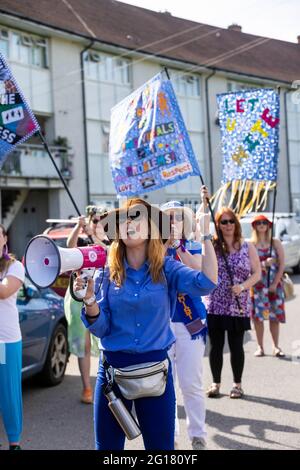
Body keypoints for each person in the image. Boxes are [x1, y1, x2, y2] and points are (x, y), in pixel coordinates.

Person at [74, 198, 217, 450]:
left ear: (152, 228)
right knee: (107, 449)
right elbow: (102, 328)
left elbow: (206, 283)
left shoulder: (167, 267)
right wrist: (89, 301)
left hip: (156, 373)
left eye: (135, 217)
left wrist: (206, 235)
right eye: (123, 219)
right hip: (111, 375)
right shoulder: (106, 271)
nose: (128, 222)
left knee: (160, 449)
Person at [160, 186, 217, 450]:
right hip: (161, 324)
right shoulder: (154, 249)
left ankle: (198, 433)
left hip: (190, 322)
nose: (172, 221)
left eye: (177, 216)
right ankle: (169, 434)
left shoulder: (192, 245)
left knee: (191, 383)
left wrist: (178, 247)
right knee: (165, 384)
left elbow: (199, 273)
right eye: (167, 217)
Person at [206, 207, 261, 399]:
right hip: (215, 303)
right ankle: (216, 383)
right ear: (218, 225)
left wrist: (243, 286)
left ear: (236, 224)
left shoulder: (247, 246)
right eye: (224, 222)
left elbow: (257, 273)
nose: (228, 225)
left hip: (238, 303)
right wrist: (205, 204)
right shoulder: (212, 245)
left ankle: (237, 385)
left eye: (231, 221)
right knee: (216, 345)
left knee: (236, 345)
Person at [64, 206, 109, 404]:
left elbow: (108, 254)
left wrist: (96, 237)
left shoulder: (111, 243)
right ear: (90, 222)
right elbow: (69, 245)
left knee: (104, 342)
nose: (98, 224)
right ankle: (87, 387)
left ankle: (106, 383)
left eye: (102, 221)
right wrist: (77, 227)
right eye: (95, 220)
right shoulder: (82, 242)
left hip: (101, 295)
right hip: (78, 296)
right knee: (84, 343)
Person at [0, 224, 25, 450]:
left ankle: (14, 442)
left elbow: (4, 291)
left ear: (4, 238)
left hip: (5, 342)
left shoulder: (14, 266)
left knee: (8, 393)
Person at [250, 214, 286, 357]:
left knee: (274, 317)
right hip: (258, 287)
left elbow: (282, 264)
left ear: (269, 225)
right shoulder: (251, 244)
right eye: (258, 223)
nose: (262, 225)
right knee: (259, 317)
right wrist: (264, 264)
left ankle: (276, 346)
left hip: (274, 286)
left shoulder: (275, 242)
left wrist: (275, 283)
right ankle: (260, 347)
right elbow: (250, 266)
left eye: (264, 222)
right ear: (254, 226)